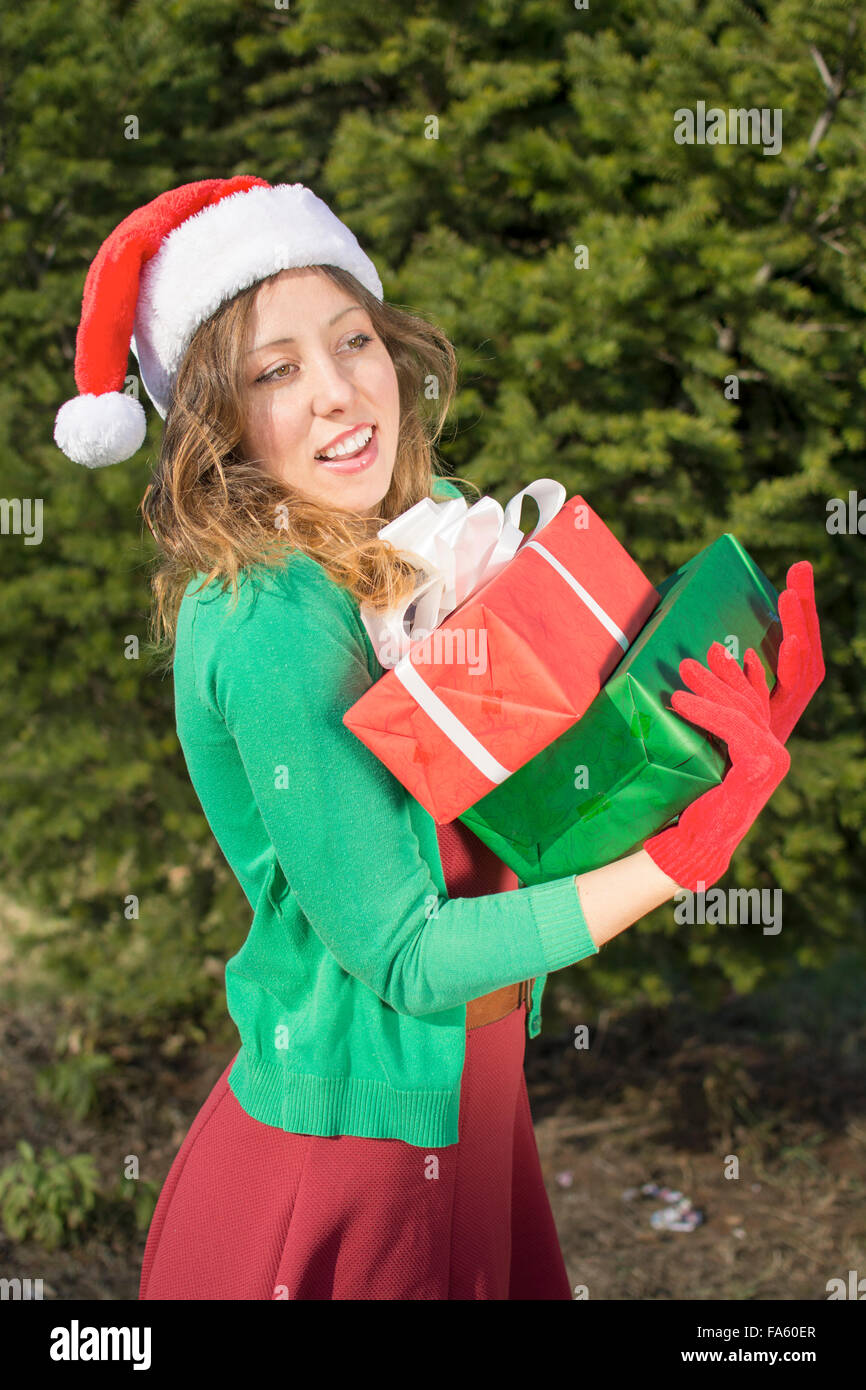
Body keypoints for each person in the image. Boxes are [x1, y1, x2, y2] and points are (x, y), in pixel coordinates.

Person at [54, 176, 825, 1300]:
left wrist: (709, 705)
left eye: (352, 340)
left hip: (474, 1094)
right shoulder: (268, 614)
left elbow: (553, 802)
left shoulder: (433, 535)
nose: (336, 393)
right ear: (213, 422)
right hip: (354, 1152)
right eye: (275, 371)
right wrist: (675, 865)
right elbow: (408, 955)